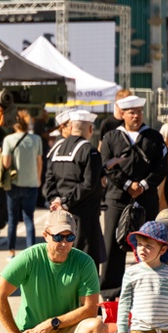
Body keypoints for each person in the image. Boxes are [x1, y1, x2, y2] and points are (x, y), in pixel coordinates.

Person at [100, 94, 168, 298]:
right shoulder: (111, 137)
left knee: (150, 244)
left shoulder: (154, 137)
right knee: (112, 246)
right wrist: (128, 184)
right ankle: (111, 292)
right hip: (117, 200)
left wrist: (145, 185)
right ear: (123, 114)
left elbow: (162, 166)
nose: (136, 116)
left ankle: (149, 290)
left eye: (139, 112)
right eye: (131, 112)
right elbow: (107, 165)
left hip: (146, 200)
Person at [44, 109, 105, 267]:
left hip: (59, 215)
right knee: (85, 259)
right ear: (90, 129)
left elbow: (49, 181)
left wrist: (56, 201)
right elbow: (89, 184)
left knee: (61, 256)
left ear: (70, 127)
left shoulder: (56, 149)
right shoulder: (89, 151)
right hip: (84, 215)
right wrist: (65, 202)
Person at [1, 109, 44, 258]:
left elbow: (6, 164)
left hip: (14, 183)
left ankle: (11, 251)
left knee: (12, 219)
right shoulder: (36, 139)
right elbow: (39, 162)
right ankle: (31, 252)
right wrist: (38, 179)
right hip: (31, 183)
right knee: (28, 219)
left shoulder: (9, 140)